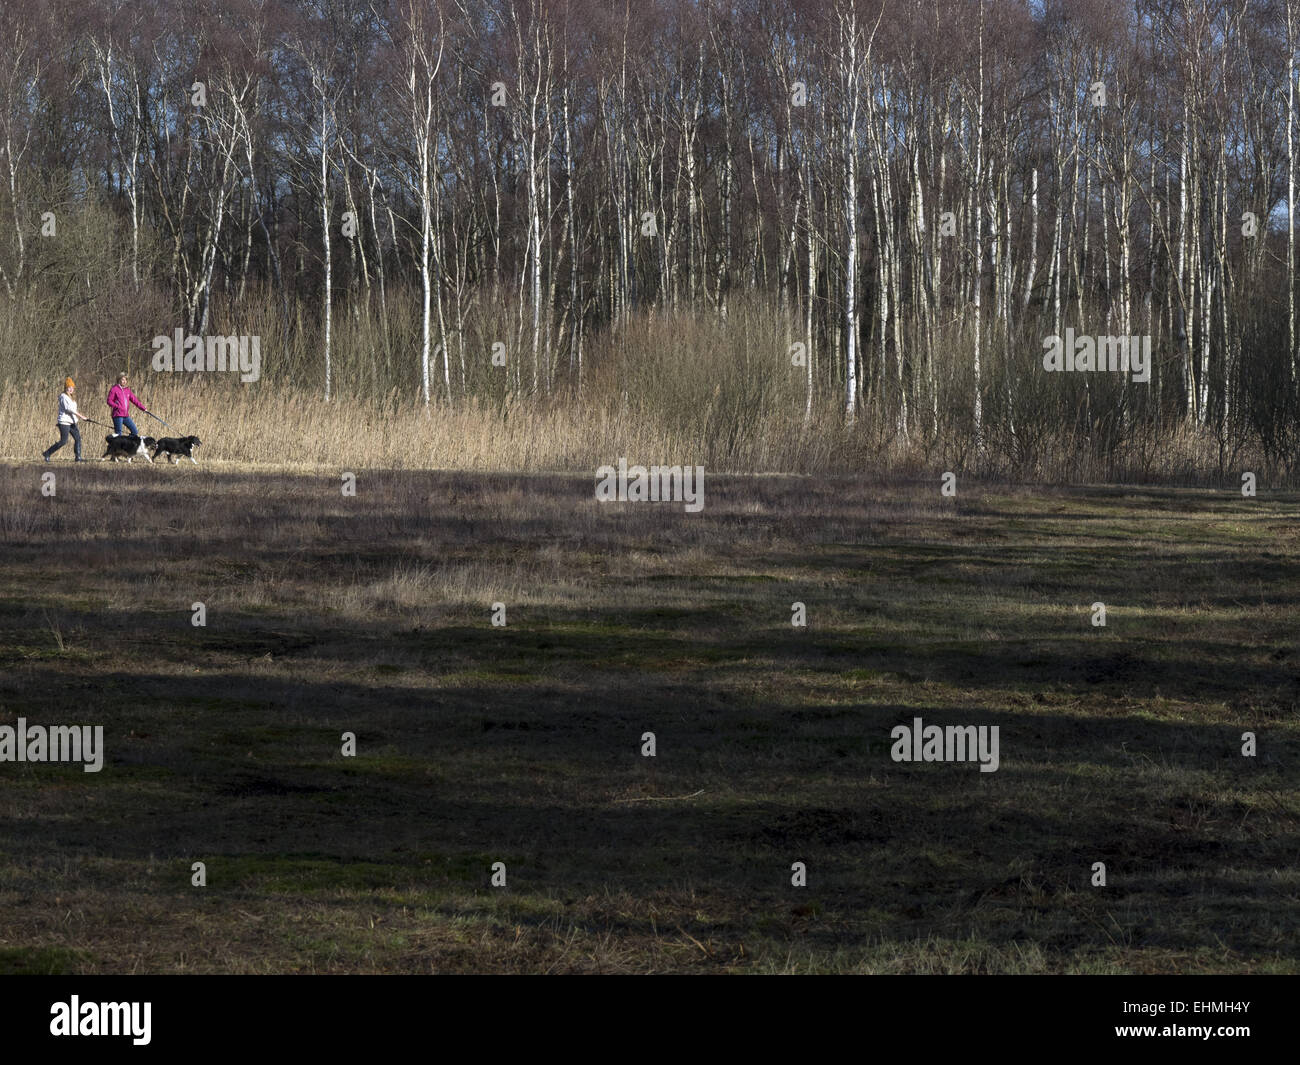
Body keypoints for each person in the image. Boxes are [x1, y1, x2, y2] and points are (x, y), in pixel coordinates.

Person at [42, 377, 88, 462]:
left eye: (72, 387)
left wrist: (81, 417)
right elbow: (69, 409)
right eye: (69, 387)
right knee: (63, 441)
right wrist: (81, 416)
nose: (71, 389)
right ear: (66, 388)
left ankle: (78, 457)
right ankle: (47, 453)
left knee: (78, 438)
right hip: (64, 422)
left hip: (72, 422)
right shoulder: (63, 397)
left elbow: (74, 410)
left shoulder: (72, 398)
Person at [106, 372, 148, 437]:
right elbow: (109, 401)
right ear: (119, 380)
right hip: (117, 415)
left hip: (125, 415)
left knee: (134, 431)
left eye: (125, 380)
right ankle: (117, 446)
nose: (124, 381)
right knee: (118, 434)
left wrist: (143, 408)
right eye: (123, 379)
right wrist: (117, 406)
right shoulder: (114, 389)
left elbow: (135, 400)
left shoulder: (127, 390)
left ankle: (127, 445)